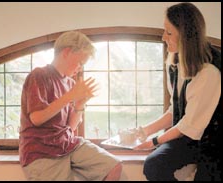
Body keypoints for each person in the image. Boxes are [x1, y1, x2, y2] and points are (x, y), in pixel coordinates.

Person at [133, 2, 221, 181]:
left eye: (169, 32)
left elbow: (189, 125)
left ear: (186, 36)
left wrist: (154, 141)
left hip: (214, 141)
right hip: (189, 135)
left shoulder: (208, 71)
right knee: (154, 164)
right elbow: (176, 109)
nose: (163, 38)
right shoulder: (174, 60)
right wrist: (144, 131)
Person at [19, 31, 122, 181]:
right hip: (41, 150)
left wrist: (80, 105)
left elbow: (71, 127)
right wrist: (71, 96)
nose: (80, 68)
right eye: (80, 62)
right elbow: (37, 118)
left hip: (68, 144)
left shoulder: (71, 83)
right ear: (66, 52)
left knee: (114, 167)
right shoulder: (39, 75)